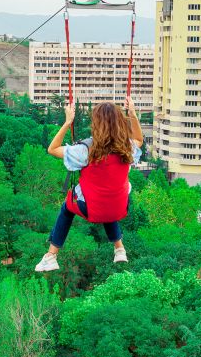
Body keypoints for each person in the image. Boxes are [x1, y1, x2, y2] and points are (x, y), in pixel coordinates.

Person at [35, 97, 143, 272]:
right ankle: (119, 248)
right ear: (120, 123)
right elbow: (139, 139)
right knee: (108, 200)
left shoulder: (85, 150)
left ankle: (51, 256)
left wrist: (67, 122)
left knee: (67, 208)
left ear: (96, 123)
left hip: (90, 208)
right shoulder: (127, 148)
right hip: (120, 206)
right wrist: (133, 114)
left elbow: (52, 149)